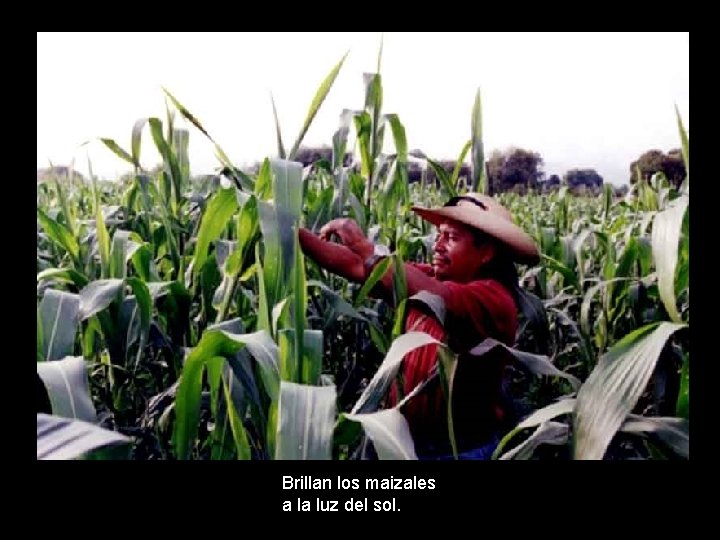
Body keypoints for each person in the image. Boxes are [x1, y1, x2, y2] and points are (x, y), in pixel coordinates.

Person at [298, 193, 540, 459]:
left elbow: (433, 295)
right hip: (406, 445)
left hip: (458, 453)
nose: (437, 246)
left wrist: (365, 246)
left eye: (452, 238)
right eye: (439, 235)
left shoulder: (492, 299)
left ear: (486, 253)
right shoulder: (429, 278)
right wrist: (292, 232)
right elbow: (357, 265)